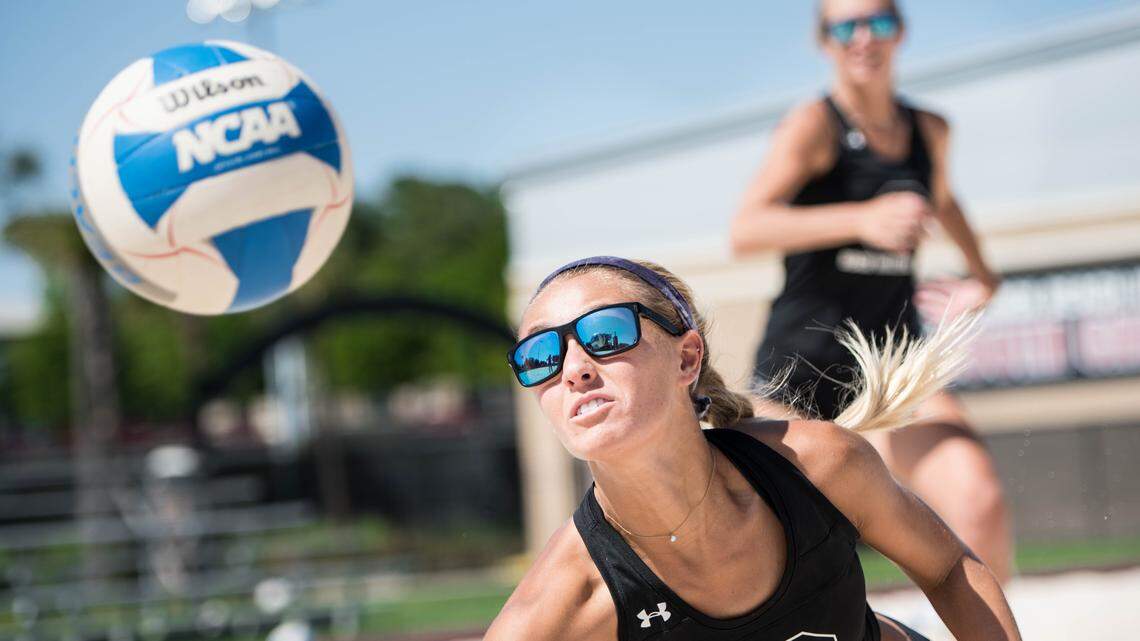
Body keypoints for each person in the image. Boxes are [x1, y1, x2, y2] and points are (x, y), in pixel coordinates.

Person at [485, 256, 1020, 641]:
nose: (574, 368)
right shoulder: (566, 599)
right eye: (540, 356)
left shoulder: (815, 464)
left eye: (605, 334)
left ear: (686, 359)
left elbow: (947, 568)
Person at [730, 0, 1012, 581]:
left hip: (896, 367)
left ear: (900, 32)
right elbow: (747, 228)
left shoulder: (928, 130)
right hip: (800, 373)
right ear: (825, 40)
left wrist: (982, 278)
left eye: (879, 21)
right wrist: (860, 219)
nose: (864, 37)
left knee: (978, 500)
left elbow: (944, 197)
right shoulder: (813, 125)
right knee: (775, 559)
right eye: (846, 26)